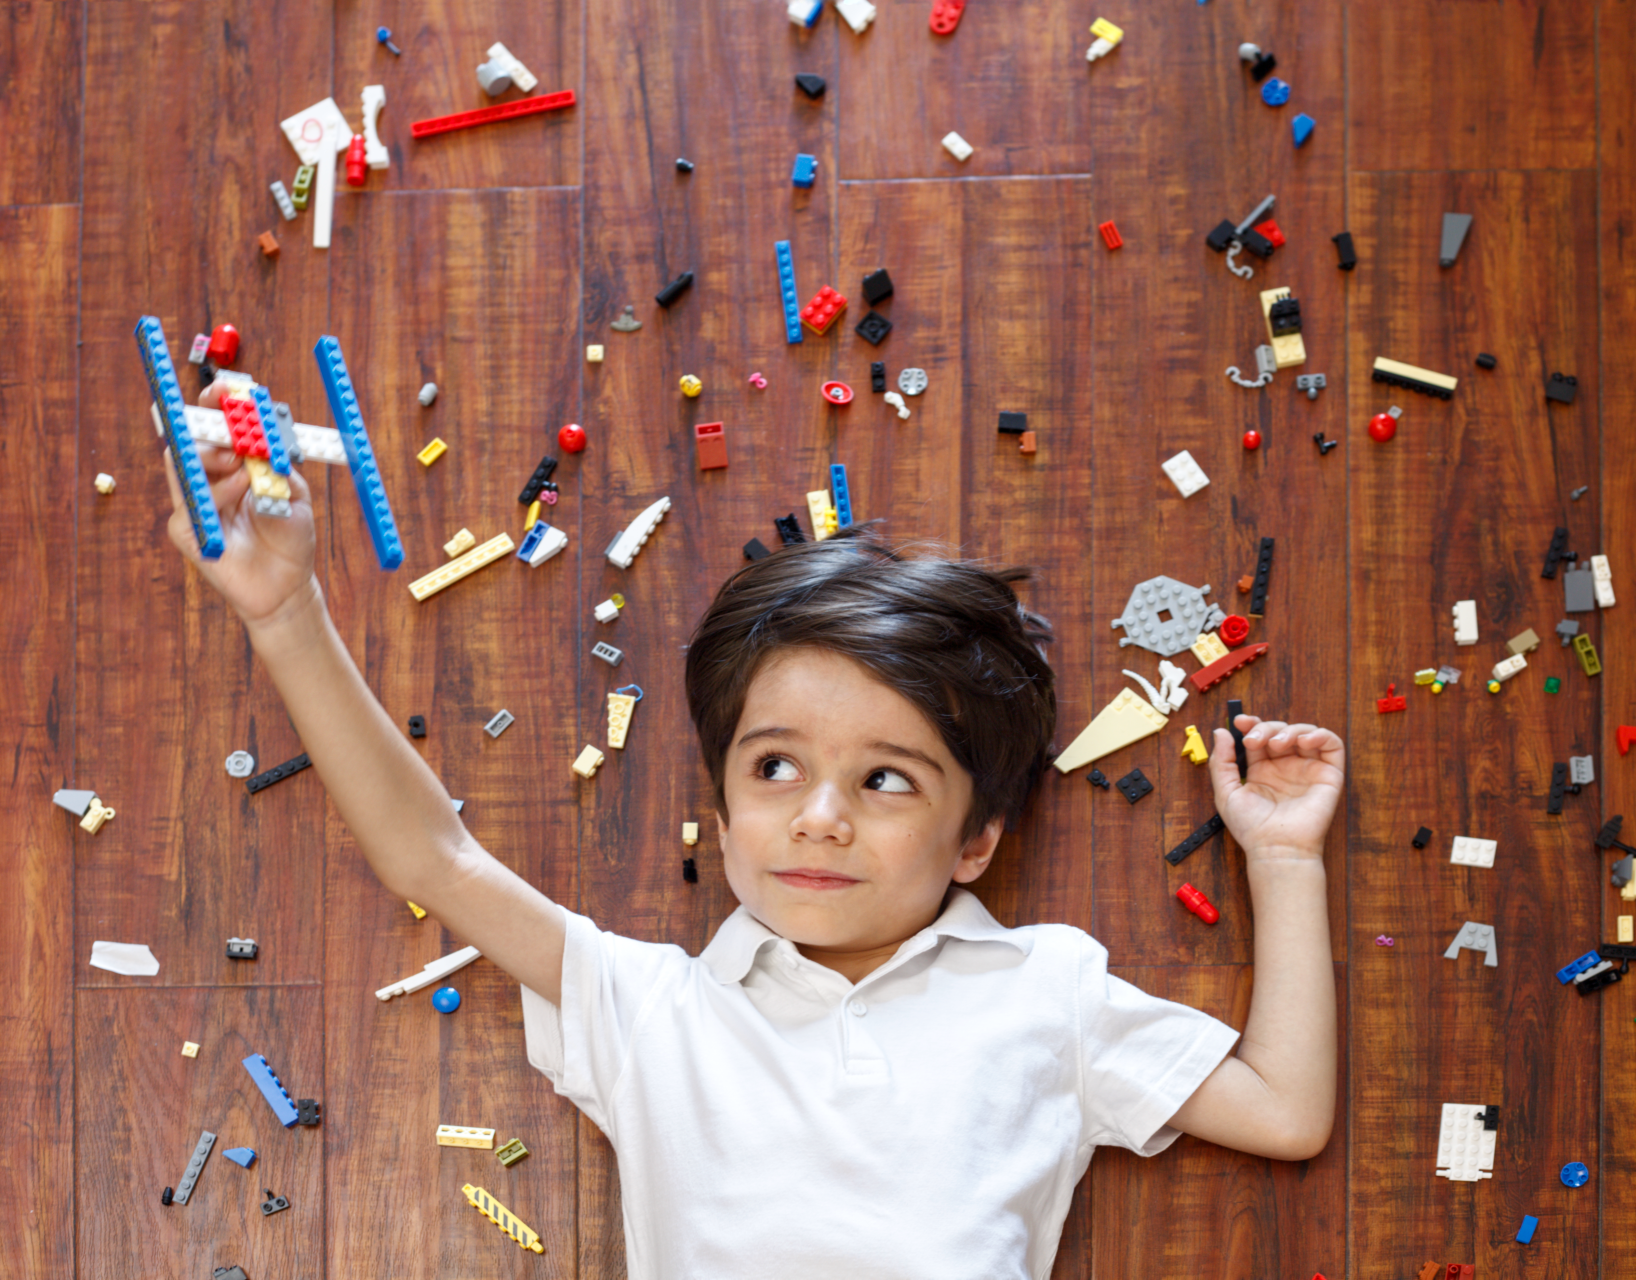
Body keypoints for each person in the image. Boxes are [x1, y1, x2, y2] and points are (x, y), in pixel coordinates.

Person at [162, 382, 1345, 1279]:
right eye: (776, 765)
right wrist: (285, 610)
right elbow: (435, 856)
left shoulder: (1048, 990)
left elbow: (1285, 1111)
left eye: (887, 780)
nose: (820, 815)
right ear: (723, 808)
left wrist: (1283, 860)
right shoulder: (652, 1006)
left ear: (975, 839)